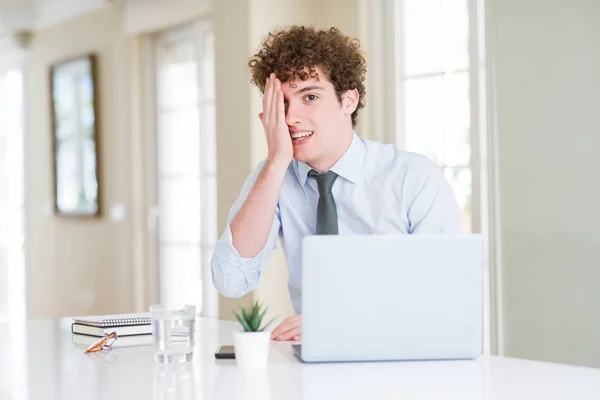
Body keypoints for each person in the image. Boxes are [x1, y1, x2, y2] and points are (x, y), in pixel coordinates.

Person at [211, 25, 462, 342]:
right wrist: (276, 163)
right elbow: (230, 280)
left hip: (402, 358)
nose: (290, 118)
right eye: (283, 104)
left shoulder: (413, 177)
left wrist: (340, 321)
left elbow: (446, 295)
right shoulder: (273, 177)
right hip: (311, 367)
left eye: (310, 97)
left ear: (348, 101)